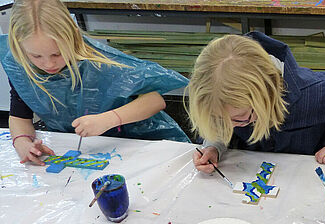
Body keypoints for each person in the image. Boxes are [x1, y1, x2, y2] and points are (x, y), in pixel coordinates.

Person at [1, 0, 190, 166]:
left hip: (136, 142)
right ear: (18, 46)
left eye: (57, 53)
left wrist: (109, 119)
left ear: (73, 37)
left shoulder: (98, 62)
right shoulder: (20, 67)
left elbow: (155, 101)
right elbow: (19, 116)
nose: (49, 63)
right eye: (36, 56)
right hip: (80, 147)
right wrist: (22, 143)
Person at [186, 31, 325, 173]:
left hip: (303, 179)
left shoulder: (317, 93)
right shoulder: (228, 100)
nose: (228, 126)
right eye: (218, 119)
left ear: (264, 98)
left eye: (238, 119)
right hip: (251, 173)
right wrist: (214, 146)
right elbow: (223, 120)